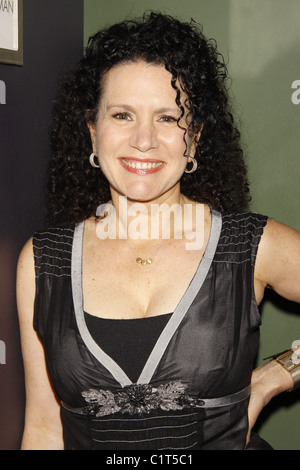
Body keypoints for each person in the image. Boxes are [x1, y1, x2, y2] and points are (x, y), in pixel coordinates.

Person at [16, 12, 300, 450]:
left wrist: (272, 378)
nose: (144, 139)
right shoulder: (44, 261)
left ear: (196, 138)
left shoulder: (250, 245)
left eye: (168, 118)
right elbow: (44, 426)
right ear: (92, 132)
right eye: (123, 115)